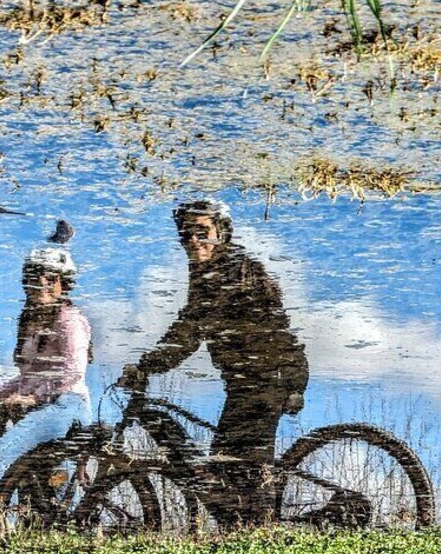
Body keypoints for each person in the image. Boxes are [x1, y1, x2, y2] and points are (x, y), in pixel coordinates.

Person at [120, 200, 309, 525]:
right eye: (186, 234)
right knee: (224, 475)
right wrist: (149, 364)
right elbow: (189, 326)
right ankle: (250, 531)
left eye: (202, 232)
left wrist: (148, 365)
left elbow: (191, 328)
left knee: (235, 477)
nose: (193, 240)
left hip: (267, 380)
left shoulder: (232, 268)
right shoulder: (207, 271)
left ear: (221, 233)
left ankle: (262, 534)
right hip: (246, 384)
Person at [0, 246, 92, 495]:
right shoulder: (32, 323)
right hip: (40, 409)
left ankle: (0, 533)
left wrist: (32, 397)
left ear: (64, 284)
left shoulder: (69, 319)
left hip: (66, 405)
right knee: (43, 492)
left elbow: (72, 371)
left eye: (51, 279)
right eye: (34, 278)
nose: (42, 284)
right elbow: (26, 378)